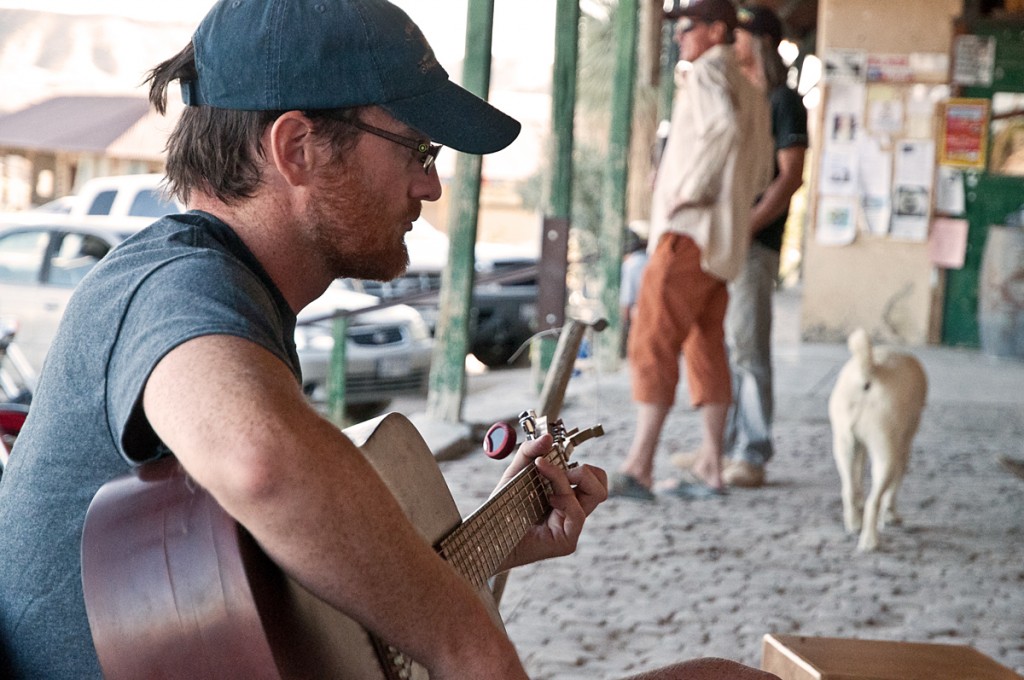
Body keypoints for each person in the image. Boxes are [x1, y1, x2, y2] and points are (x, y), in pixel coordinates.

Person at [0, 2, 779, 679]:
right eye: (418, 150)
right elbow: (260, 460)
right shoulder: (174, 284)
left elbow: (265, 598)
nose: (431, 186)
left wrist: (488, 545)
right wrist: (472, 647)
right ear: (296, 148)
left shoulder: (238, 298)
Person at [610, 0, 773, 501]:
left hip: (688, 234)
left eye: (686, 27)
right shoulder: (752, 89)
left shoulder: (704, 75)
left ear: (715, 30)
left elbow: (719, 129)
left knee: (652, 339)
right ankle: (711, 463)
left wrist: (692, 190)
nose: (679, 36)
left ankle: (638, 465)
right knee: (706, 346)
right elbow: (764, 170)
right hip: (723, 244)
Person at [717, 4, 808, 488]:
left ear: (761, 42)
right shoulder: (741, 98)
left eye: (741, 34)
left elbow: (790, 177)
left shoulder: (783, 101)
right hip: (726, 242)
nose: (732, 41)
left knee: (749, 347)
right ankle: (724, 446)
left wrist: (746, 227)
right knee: (728, 345)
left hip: (753, 244)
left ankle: (751, 451)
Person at [619, 222, 649, 357]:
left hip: (640, 314)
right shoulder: (651, 259)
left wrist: (623, 326)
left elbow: (627, 300)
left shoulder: (630, 265)